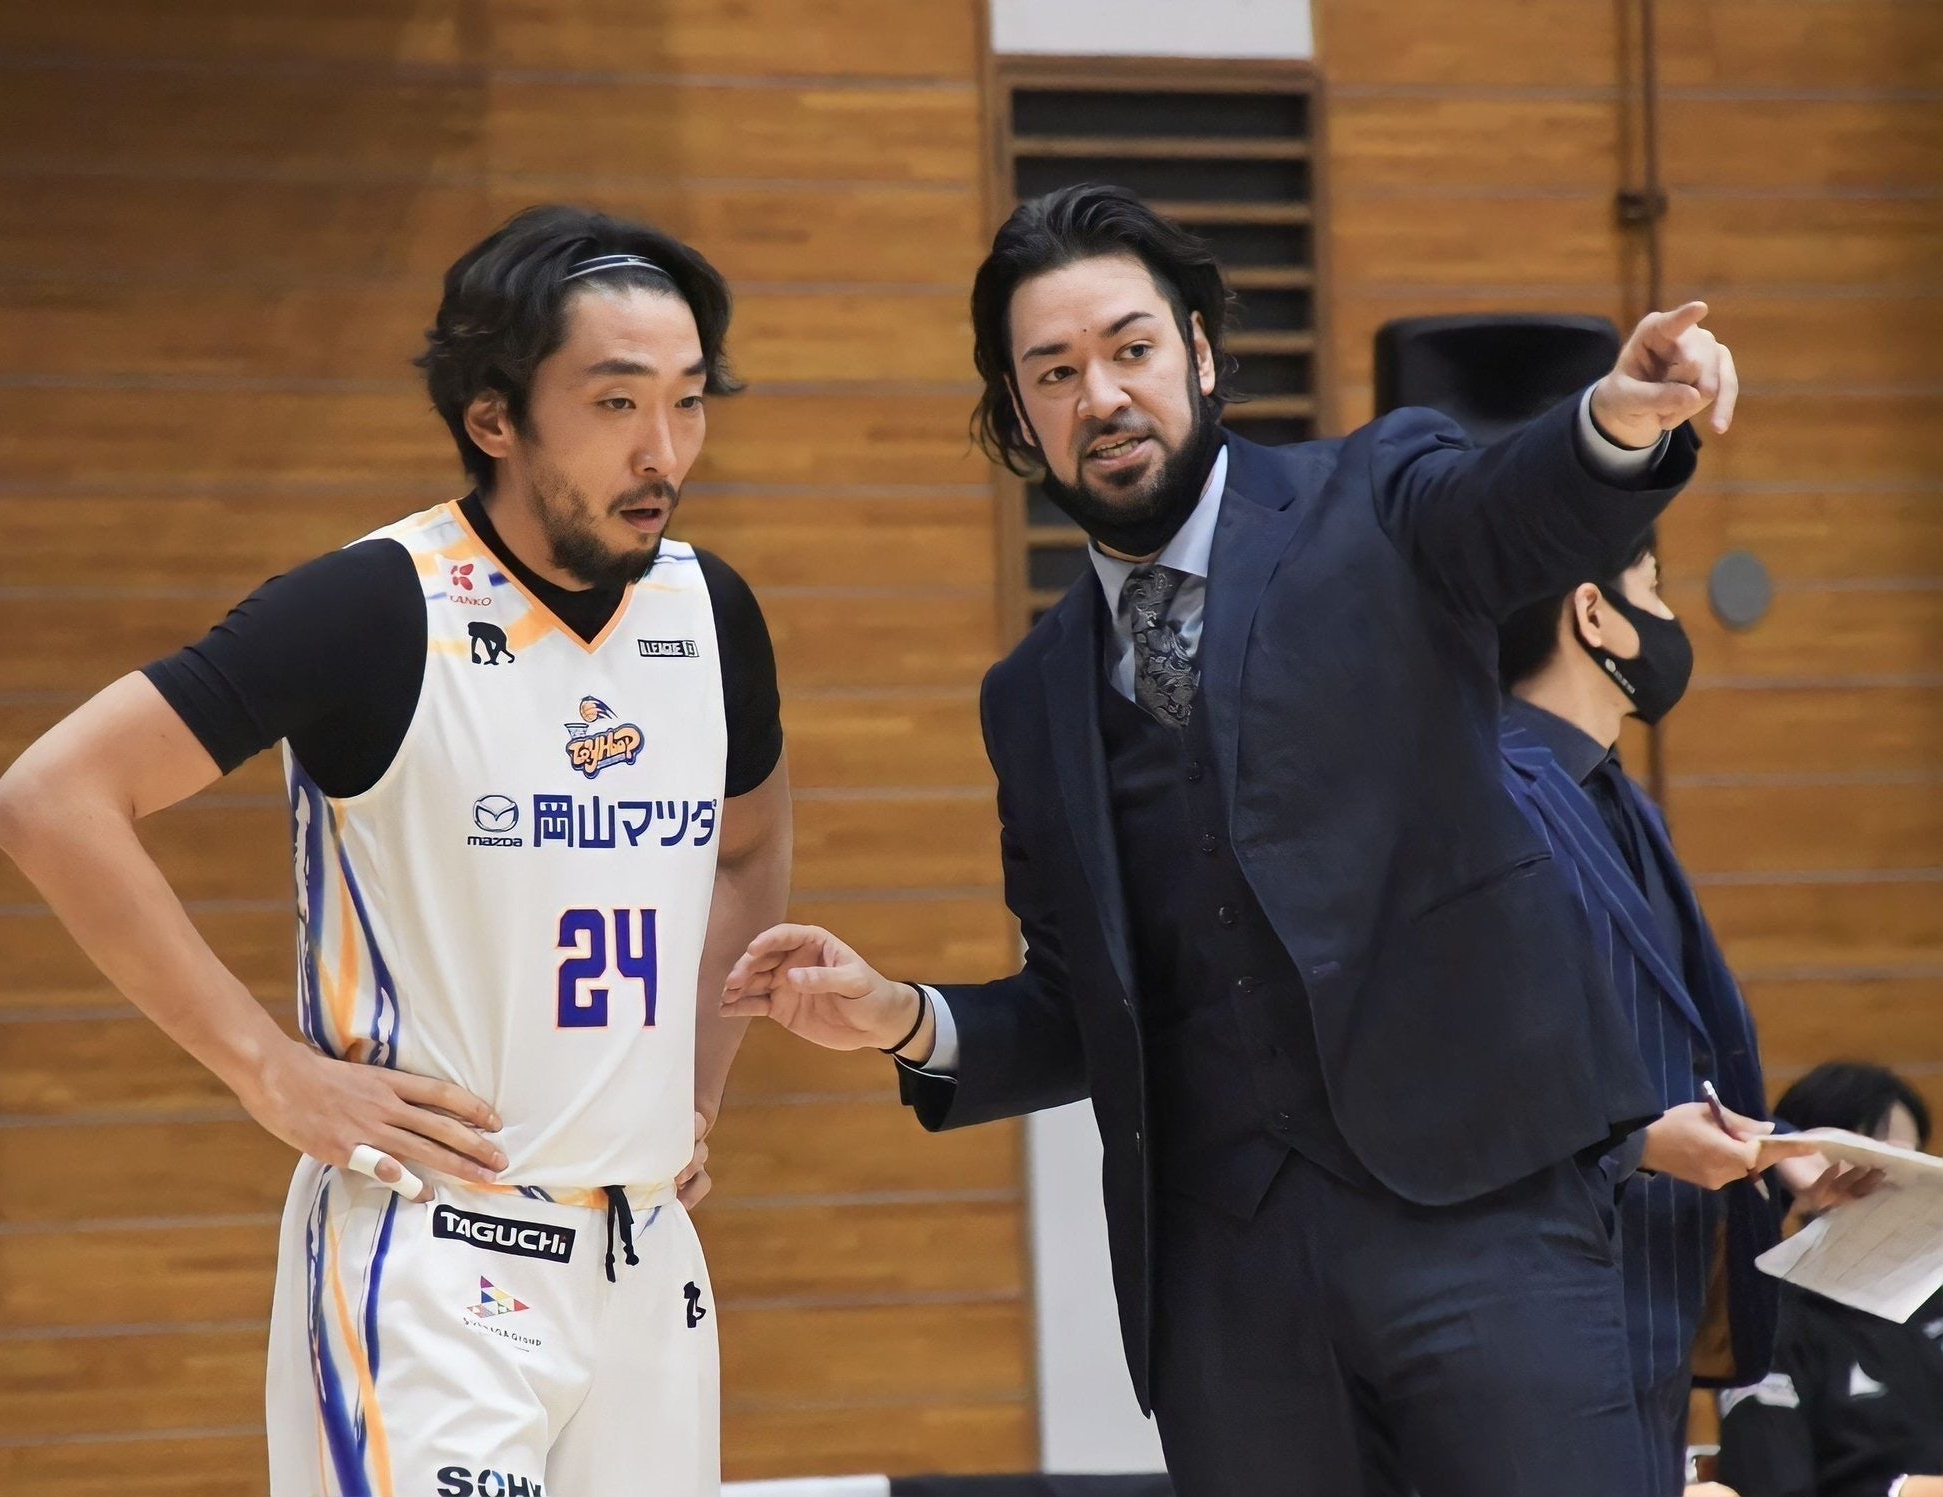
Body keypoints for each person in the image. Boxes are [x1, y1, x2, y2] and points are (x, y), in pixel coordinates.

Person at [722, 183, 1737, 1497]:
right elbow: (1086, 1006)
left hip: (1487, 1233)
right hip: (1231, 1303)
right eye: (1054, 372)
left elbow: (1515, 505)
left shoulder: (1374, 499)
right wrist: (904, 1018)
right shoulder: (1031, 695)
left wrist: (1616, 420)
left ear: (1199, 354)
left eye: (1130, 348)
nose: (1101, 396)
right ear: (1017, 417)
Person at [0, 205, 793, 1497]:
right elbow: (51, 800)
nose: (664, 449)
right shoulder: (375, 605)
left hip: (649, 1265)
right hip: (433, 1263)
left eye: (688, 401)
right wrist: (268, 1071)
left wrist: (694, 1087)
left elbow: (745, 850)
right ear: (494, 417)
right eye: (616, 402)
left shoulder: (711, 612)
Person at [1497, 543, 1877, 1492]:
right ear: (1593, 613)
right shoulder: (1490, 796)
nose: (1669, 618)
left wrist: (1780, 1151)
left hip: (1654, 1305)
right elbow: (1477, 1072)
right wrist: (1635, 1145)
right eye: (1655, 590)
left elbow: (1668, 1050)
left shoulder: (1622, 799)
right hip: (1550, 1308)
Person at [1720, 1064, 1943, 1497]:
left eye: (1913, 1162)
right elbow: (1769, 1486)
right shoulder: (1770, 1326)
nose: (1897, 1186)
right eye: (1876, 1164)